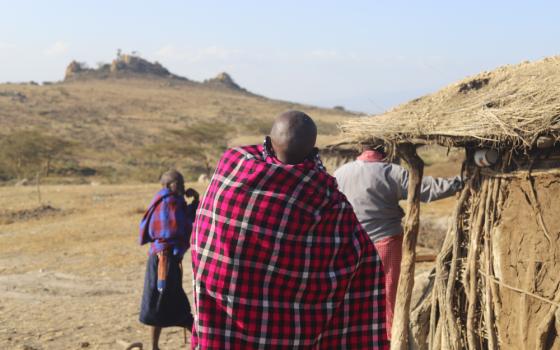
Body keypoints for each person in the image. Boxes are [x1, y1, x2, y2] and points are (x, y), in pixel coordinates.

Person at [191, 111, 388, 349]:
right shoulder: (329, 203)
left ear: (269, 142)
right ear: (313, 149)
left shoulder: (232, 170)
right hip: (290, 334)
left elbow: (202, 243)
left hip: (227, 331)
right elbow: (364, 263)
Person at [334, 144, 462, 340]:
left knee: (353, 292)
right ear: (387, 149)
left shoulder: (341, 173)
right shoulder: (392, 172)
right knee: (388, 294)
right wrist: (460, 182)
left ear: (362, 148)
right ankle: (388, 338)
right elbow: (428, 190)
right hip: (385, 242)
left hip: (350, 244)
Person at [138, 170, 199, 350]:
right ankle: (203, 341)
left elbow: (184, 219)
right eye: (179, 183)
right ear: (168, 185)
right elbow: (179, 228)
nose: (182, 186)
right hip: (165, 261)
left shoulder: (164, 200)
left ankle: (154, 346)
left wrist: (195, 200)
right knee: (175, 303)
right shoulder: (171, 203)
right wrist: (193, 203)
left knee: (158, 301)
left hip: (158, 259)